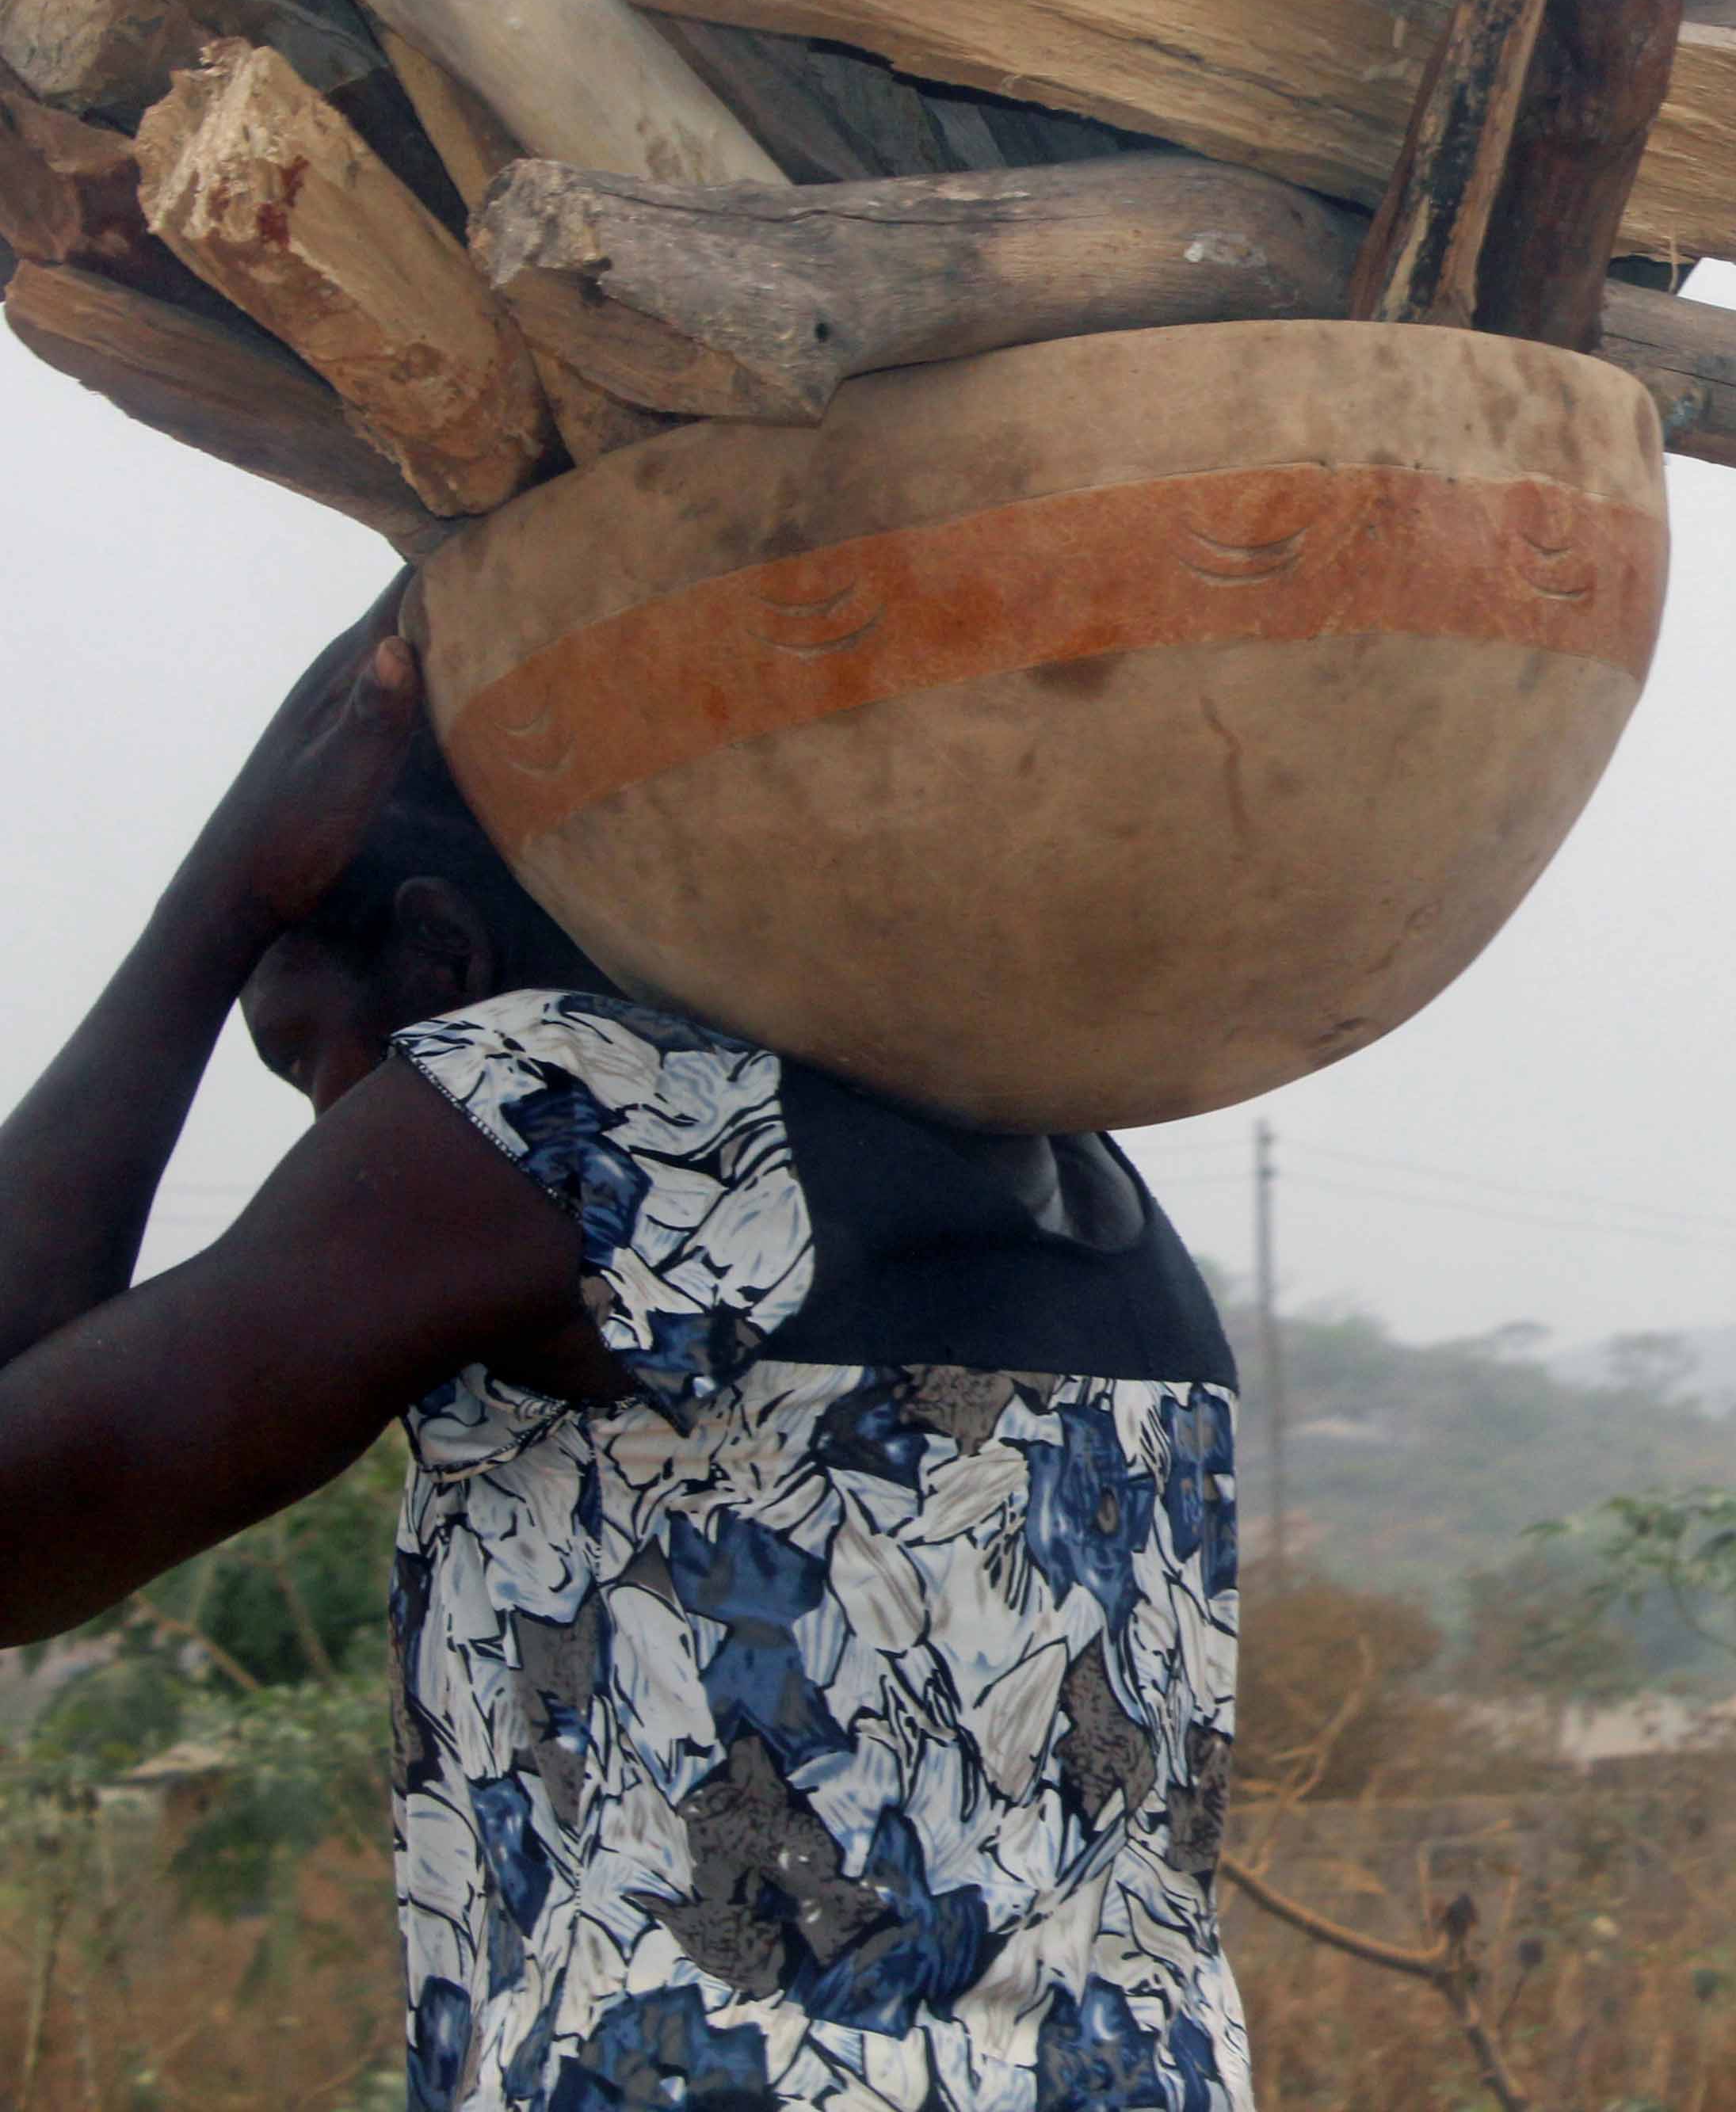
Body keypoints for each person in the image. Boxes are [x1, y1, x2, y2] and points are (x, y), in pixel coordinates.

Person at [0, 590, 1250, 2112]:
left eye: (303, 1045)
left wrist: (210, 913)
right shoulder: (1095, 1186)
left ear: (441, 947)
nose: (324, 1109)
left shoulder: (571, 1112)